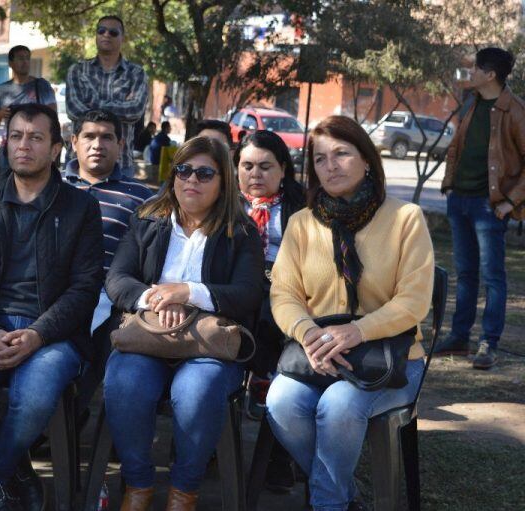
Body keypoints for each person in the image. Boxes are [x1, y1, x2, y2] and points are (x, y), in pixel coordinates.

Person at [0, 103, 104, 511]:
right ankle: (20, 469)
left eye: (36, 137)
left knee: (33, 402)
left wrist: (38, 334)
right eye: (16, 136)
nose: (23, 146)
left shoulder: (80, 208)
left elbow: (85, 289)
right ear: (4, 142)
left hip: (52, 331)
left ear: (56, 149)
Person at [265, 116, 434, 511]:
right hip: (319, 354)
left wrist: (357, 332)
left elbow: (413, 301)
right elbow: (284, 294)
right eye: (320, 159)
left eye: (342, 153)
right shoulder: (301, 224)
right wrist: (308, 334)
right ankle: (345, 497)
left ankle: (328, 504)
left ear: (367, 161)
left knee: (338, 406)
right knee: (281, 401)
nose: (331, 166)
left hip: (392, 357)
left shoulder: (406, 219)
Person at [104, 136, 264, 510]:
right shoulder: (148, 220)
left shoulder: (240, 233)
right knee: (125, 382)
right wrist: (158, 298)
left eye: (205, 173)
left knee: (196, 392)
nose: (191, 179)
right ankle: (139, 485)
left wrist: (188, 292)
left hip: (208, 345)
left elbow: (246, 294)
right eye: (184, 169)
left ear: (223, 182)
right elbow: (118, 279)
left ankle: (184, 491)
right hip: (148, 335)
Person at [436, 47, 524, 369]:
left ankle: (489, 343)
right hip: (459, 200)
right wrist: (448, 184)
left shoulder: (515, 110)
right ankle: (459, 337)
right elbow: (455, 149)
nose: (470, 74)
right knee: (466, 274)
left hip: (489, 207)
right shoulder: (471, 104)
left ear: (490, 75)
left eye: (475, 69)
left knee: (493, 277)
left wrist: (509, 202)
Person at [64, 109, 153, 415]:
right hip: (52, 293)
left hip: (112, 299)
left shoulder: (142, 199)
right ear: (74, 142)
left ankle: (73, 416)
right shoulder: (53, 187)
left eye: (106, 137)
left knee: (109, 337)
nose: (97, 145)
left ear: (121, 145)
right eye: (89, 136)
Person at [234, 130, 306, 491]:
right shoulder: (223, 201)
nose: (255, 174)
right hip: (236, 294)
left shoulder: (301, 205)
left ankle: (278, 456)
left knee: (284, 356)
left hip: (286, 293)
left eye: (265, 166)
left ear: (282, 170)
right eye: (247, 166)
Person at [66, 15, 148, 176]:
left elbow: (135, 110)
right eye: (101, 30)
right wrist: (117, 107)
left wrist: (92, 108)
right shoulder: (77, 70)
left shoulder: (136, 73)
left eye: (113, 32)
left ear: (122, 38)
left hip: (121, 163)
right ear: (96, 35)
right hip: (78, 164)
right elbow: (73, 110)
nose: (106, 35)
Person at [0, 45, 57, 180]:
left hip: (37, 144)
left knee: (37, 185)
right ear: (10, 63)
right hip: (9, 146)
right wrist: (1, 114)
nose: (25, 62)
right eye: (20, 58)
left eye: (27, 58)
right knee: (4, 187)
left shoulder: (41, 85)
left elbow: (53, 115)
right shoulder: (1, 89)